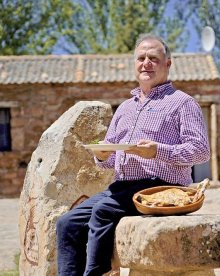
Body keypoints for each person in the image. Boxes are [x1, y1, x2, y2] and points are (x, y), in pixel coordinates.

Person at [56, 33, 211, 276]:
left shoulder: (183, 103)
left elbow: (201, 151)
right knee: (67, 223)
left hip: (162, 186)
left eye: (153, 58)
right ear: (134, 64)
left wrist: (158, 151)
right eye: (141, 58)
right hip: (122, 187)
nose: (146, 63)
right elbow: (113, 159)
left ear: (167, 64)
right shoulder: (125, 108)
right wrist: (103, 155)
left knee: (104, 210)